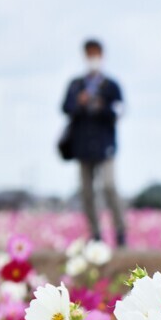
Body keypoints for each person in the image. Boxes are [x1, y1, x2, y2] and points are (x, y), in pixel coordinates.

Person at [61, 39, 127, 246]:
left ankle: (120, 231)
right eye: (89, 54)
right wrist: (79, 104)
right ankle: (95, 234)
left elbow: (119, 111)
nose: (93, 58)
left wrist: (102, 107)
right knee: (87, 192)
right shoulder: (76, 85)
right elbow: (65, 108)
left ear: (102, 55)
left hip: (105, 145)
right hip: (82, 146)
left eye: (96, 54)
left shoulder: (110, 86)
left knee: (109, 186)